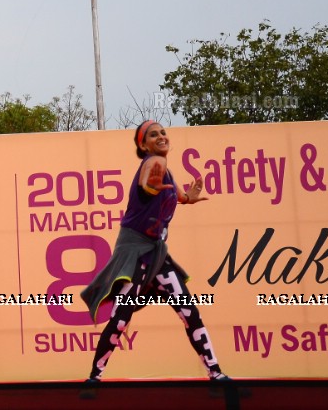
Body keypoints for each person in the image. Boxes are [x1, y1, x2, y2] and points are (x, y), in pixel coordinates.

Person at [79, 120, 233, 394]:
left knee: (189, 312)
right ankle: (94, 379)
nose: (161, 136)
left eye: (162, 132)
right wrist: (150, 185)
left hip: (157, 253)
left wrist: (189, 198)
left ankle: (216, 374)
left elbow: (177, 194)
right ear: (143, 145)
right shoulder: (152, 164)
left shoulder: (167, 172)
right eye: (153, 134)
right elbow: (148, 183)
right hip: (135, 250)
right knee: (121, 318)